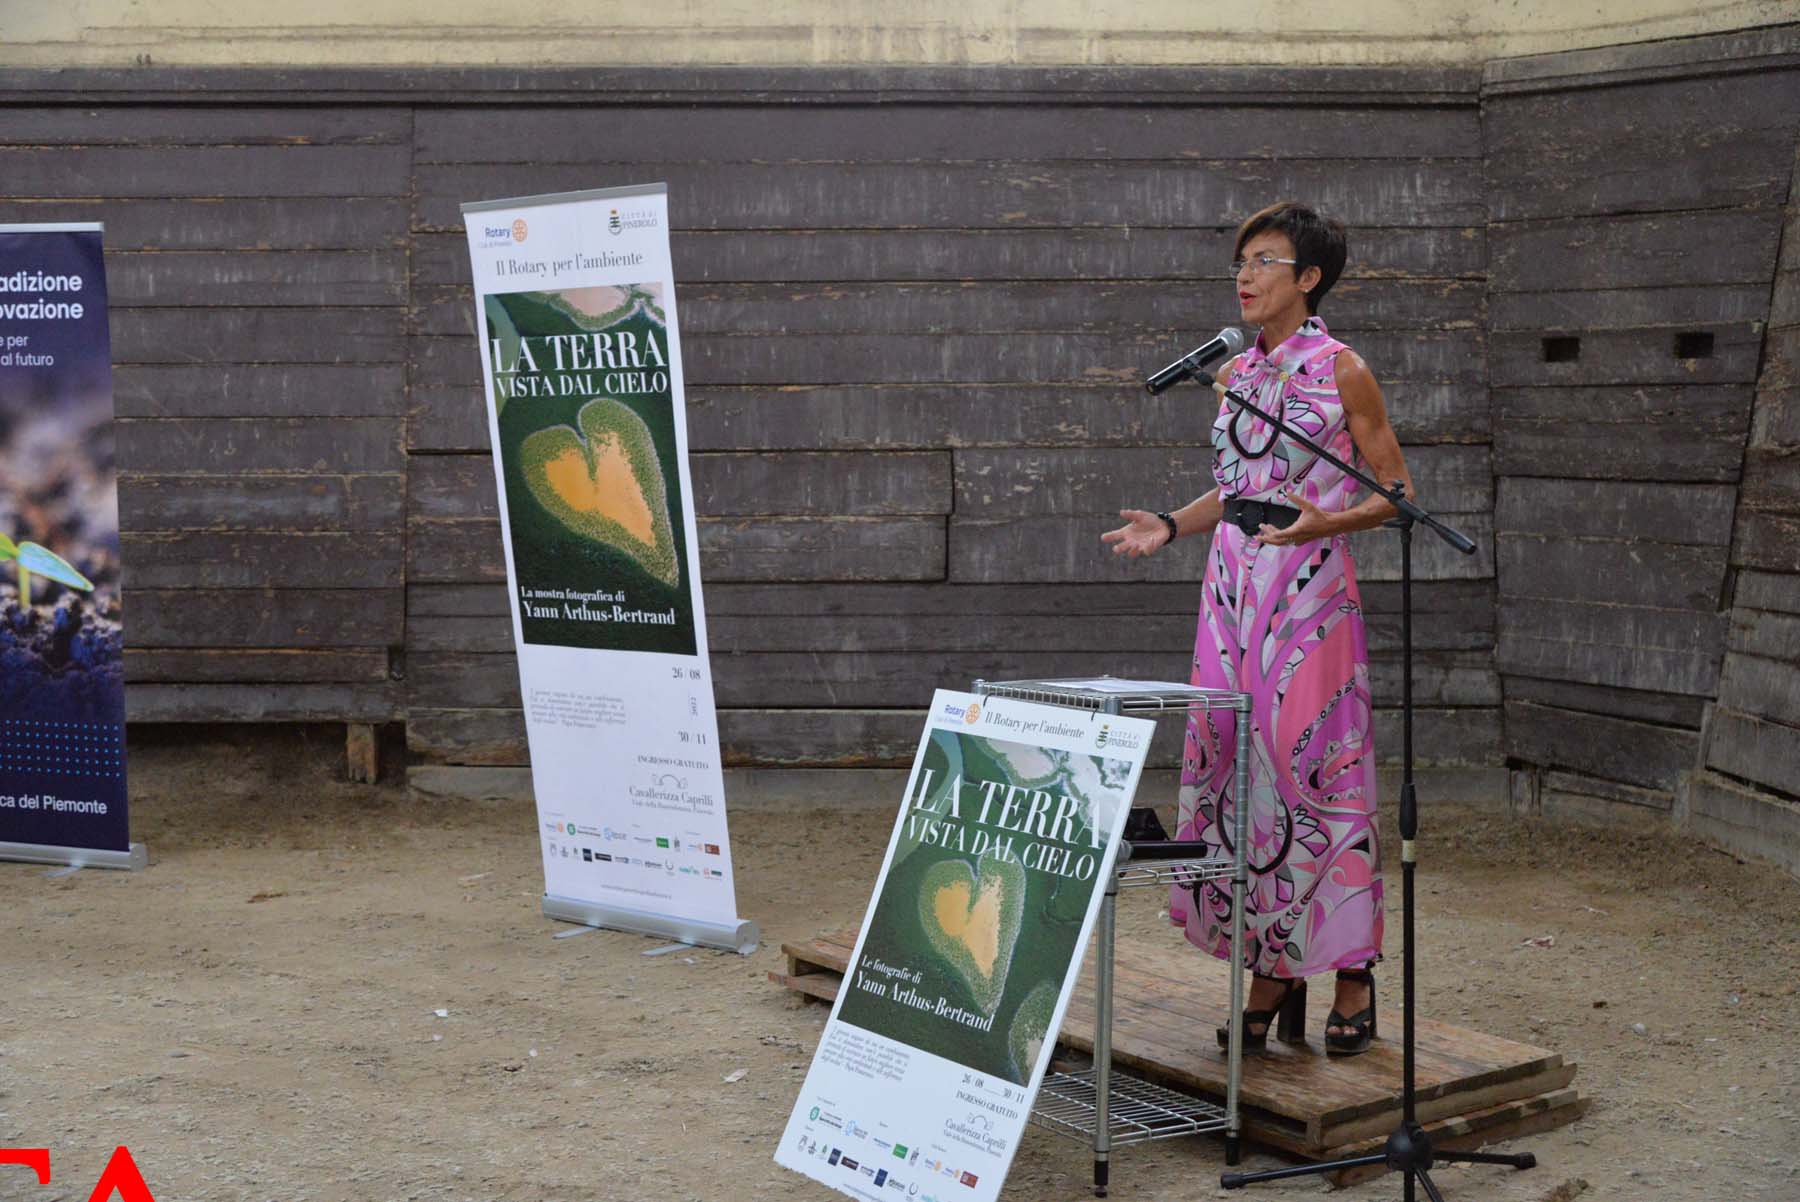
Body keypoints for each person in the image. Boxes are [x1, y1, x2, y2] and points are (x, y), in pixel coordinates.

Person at [1100, 201, 1414, 1056]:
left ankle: (1351, 965)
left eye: (1264, 260)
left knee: (1310, 769)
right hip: (1232, 590)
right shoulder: (1236, 373)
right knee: (1235, 765)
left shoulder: (1343, 368)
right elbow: (1239, 489)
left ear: (1308, 279)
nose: (1245, 276)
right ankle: (1272, 964)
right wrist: (1169, 523)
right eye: (1240, 261)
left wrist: (1325, 526)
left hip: (1309, 591)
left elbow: (1396, 494)